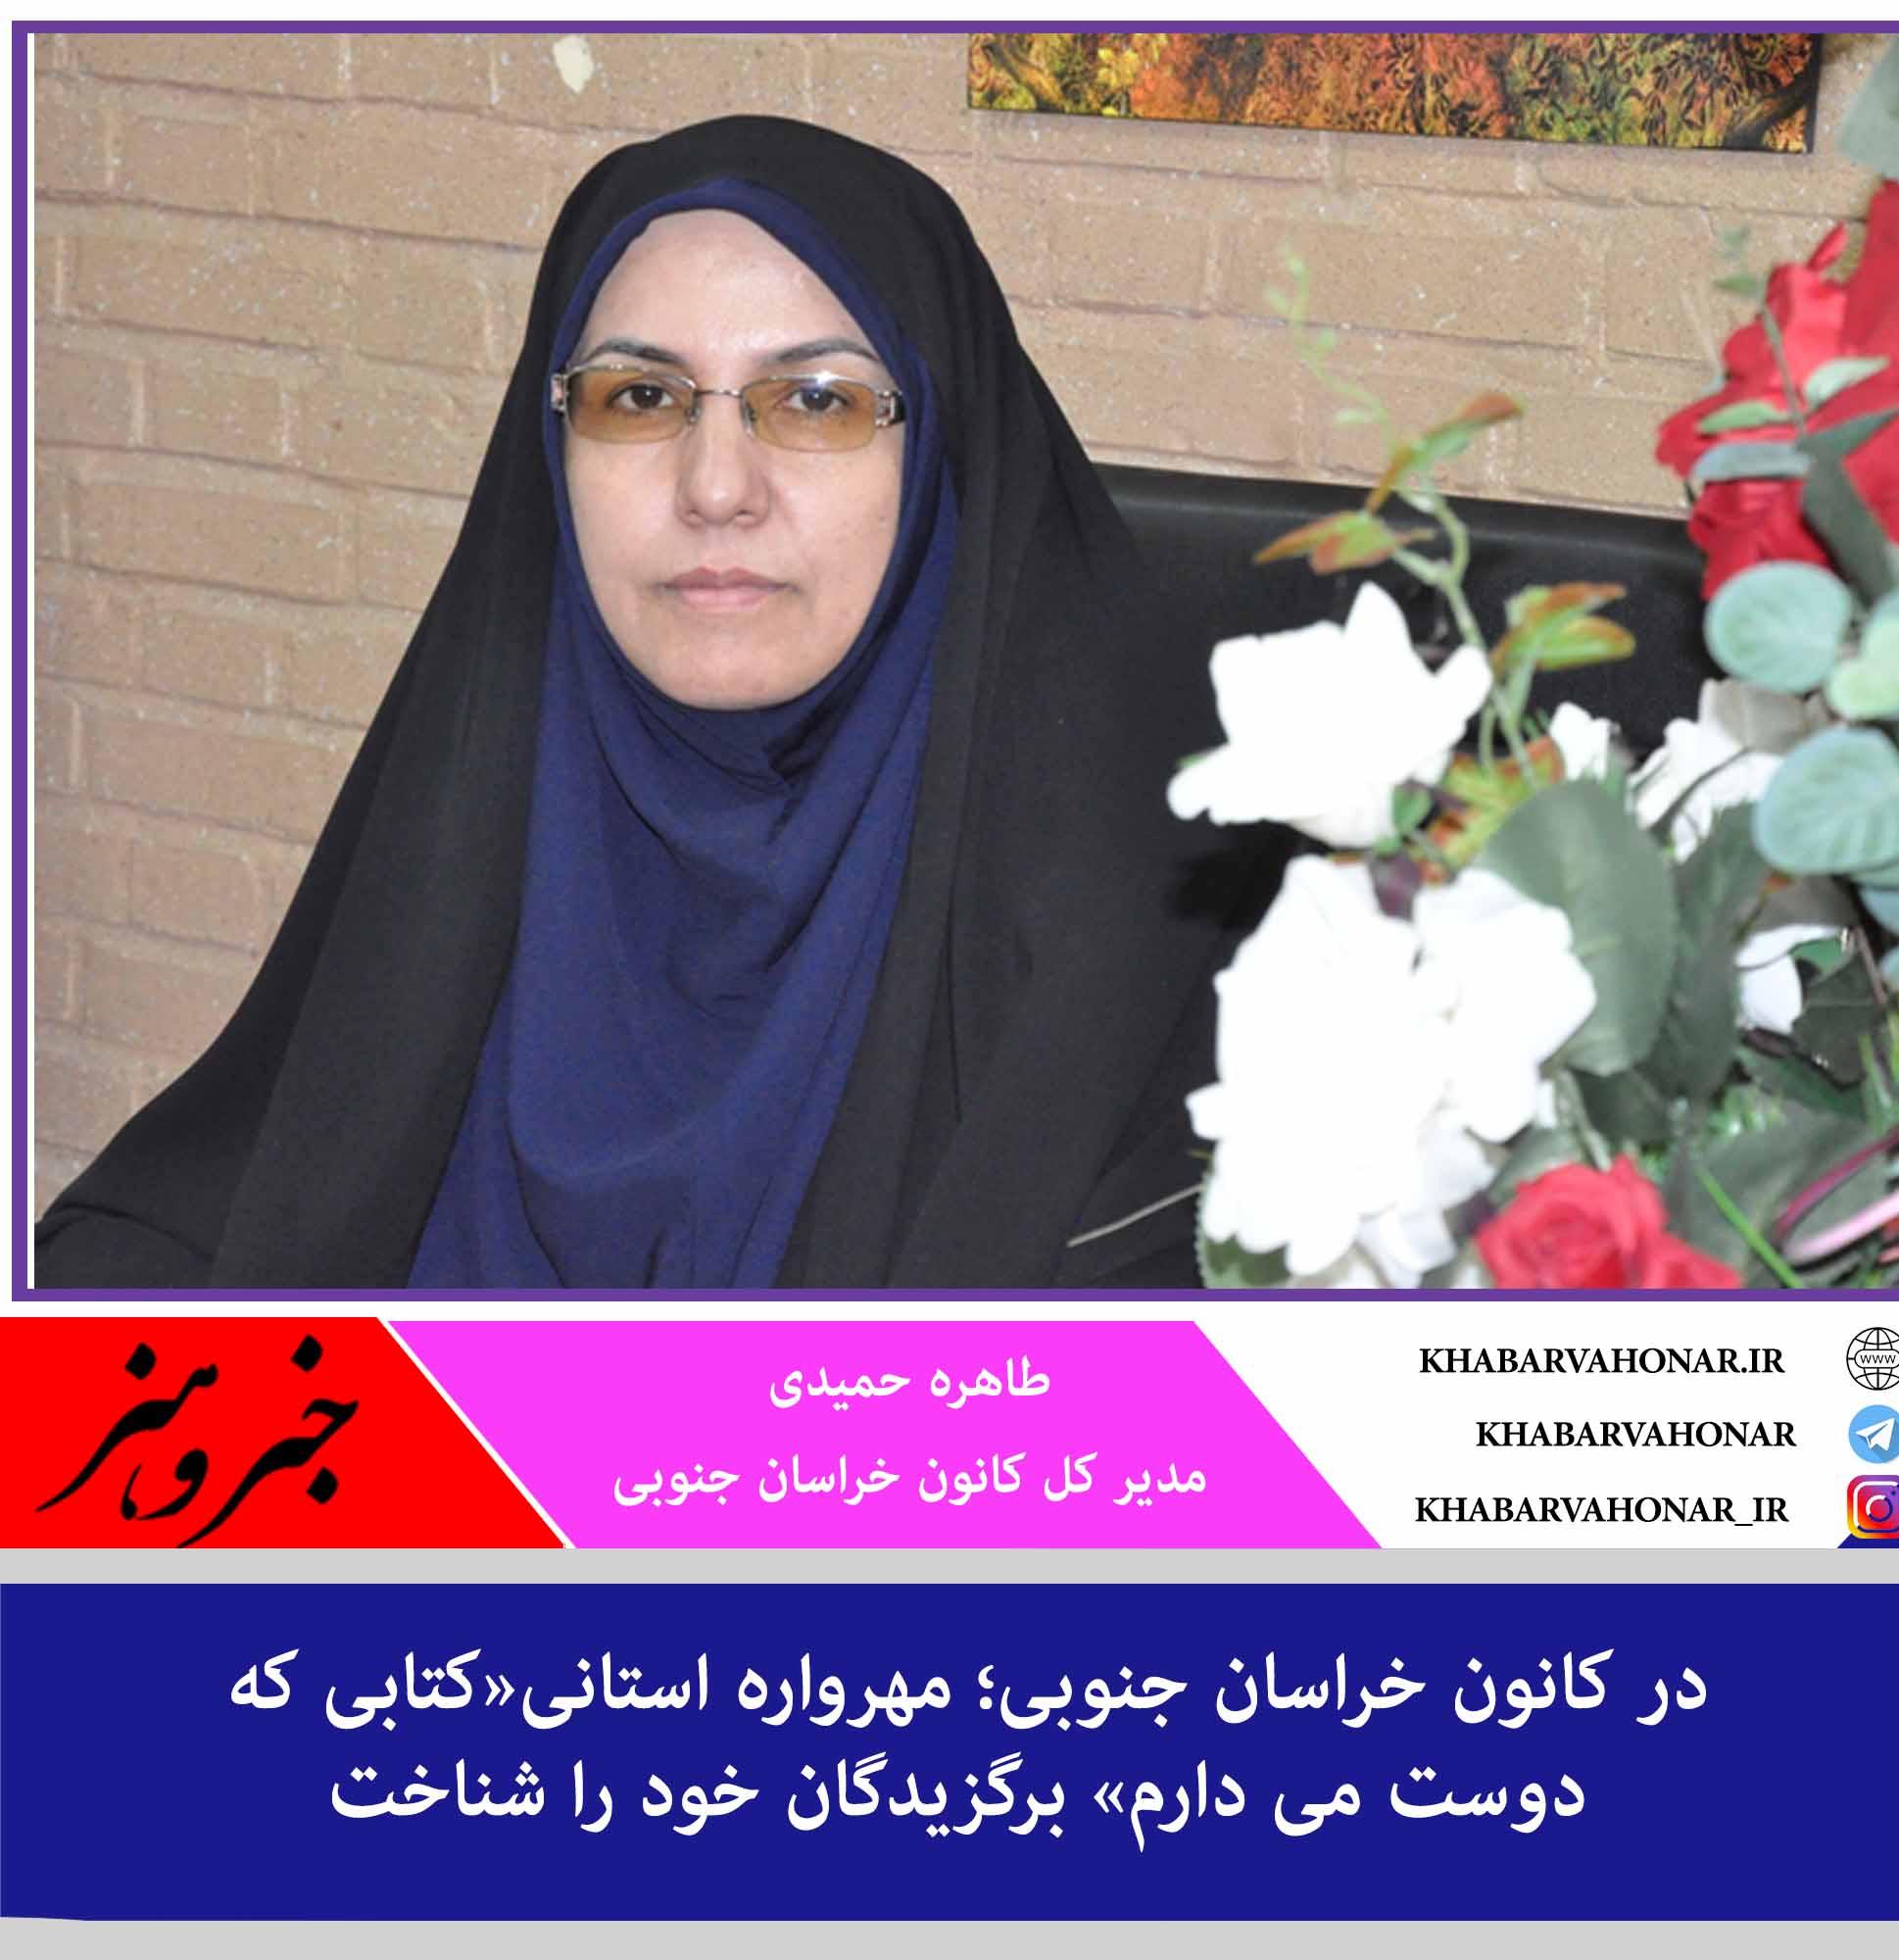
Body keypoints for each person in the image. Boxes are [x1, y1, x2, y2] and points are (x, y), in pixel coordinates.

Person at [34, 117, 1275, 1292]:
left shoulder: (1146, 934)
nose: (715, 486)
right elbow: (180, 1233)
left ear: (938, 452)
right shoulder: (472, 817)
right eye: (639, 398)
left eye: (816, 400)